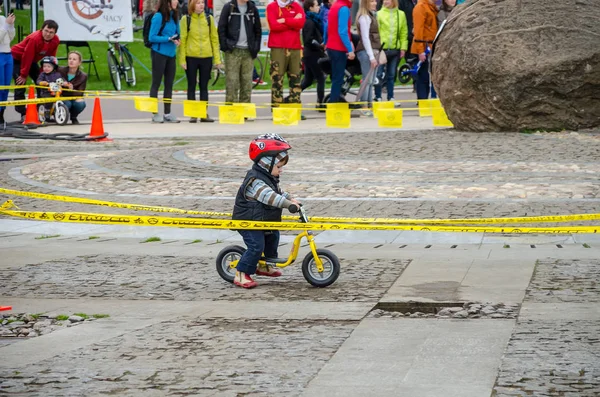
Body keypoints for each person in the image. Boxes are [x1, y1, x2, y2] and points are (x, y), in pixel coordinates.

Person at [231, 133, 301, 289]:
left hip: (261, 221)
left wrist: (291, 199)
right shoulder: (255, 180)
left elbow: (279, 192)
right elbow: (270, 197)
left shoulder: (268, 177)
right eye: (278, 167)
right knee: (256, 246)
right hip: (248, 221)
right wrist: (287, 205)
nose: (281, 170)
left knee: (273, 236)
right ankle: (241, 273)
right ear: (266, 164)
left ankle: (264, 265)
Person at [178, 0, 222, 123]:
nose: (201, 5)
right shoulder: (186, 19)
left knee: (204, 87)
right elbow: (183, 40)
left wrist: (217, 59)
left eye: (202, 2)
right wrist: (182, 59)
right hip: (191, 57)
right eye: (198, 3)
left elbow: (214, 39)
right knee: (191, 86)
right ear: (192, 5)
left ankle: (203, 113)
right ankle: (193, 114)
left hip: (206, 57)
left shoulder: (209, 19)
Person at [11, 20, 59, 121]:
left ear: (55, 33)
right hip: (17, 58)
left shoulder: (55, 40)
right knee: (20, 83)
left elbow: (51, 57)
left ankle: (41, 109)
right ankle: (22, 113)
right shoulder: (34, 39)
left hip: (32, 60)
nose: (48, 34)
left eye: (51, 32)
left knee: (42, 82)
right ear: (41, 29)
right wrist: (23, 74)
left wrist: (47, 72)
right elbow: (27, 56)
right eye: (46, 31)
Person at [218, 0, 262, 105]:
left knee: (247, 83)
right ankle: (231, 109)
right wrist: (225, 46)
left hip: (248, 51)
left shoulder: (252, 8)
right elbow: (221, 28)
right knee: (232, 82)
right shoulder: (229, 7)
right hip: (233, 50)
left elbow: (258, 29)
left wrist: (255, 47)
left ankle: (245, 110)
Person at [266, 0, 305, 107]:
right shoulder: (272, 7)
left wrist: (284, 20)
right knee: (277, 79)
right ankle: (277, 108)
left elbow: (300, 23)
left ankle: (294, 107)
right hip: (278, 47)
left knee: (296, 78)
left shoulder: (296, 6)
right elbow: (273, 26)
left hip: (295, 47)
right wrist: (292, 22)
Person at [149, 0, 181, 123]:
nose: (176, 1)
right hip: (159, 53)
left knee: (169, 84)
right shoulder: (158, 16)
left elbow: (177, 33)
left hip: (171, 54)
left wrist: (177, 39)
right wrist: (168, 38)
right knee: (156, 83)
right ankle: (154, 112)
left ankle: (167, 113)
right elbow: (152, 37)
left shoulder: (175, 16)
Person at [375, 0, 408, 102]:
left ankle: (391, 97)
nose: (385, 2)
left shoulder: (401, 14)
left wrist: (403, 48)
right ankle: (378, 96)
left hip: (395, 49)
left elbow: (403, 32)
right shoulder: (379, 14)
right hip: (382, 49)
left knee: (391, 75)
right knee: (379, 74)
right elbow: (376, 32)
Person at [325, 0, 355, 103]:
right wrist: (350, 50)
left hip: (331, 46)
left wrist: (325, 41)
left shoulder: (334, 6)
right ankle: (334, 104)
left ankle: (334, 101)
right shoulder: (344, 8)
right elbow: (343, 31)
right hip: (338, 47)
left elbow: (327, 26)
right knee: (338, 79)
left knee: (336, 78)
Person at [355, 0, 380, 115]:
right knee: (367, 79)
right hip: (366, 52)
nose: (375, 3)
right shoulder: (364, 17)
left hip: (372, 51)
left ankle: (369, 104)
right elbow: (365, 38)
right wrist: (371, 57)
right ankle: (364, 105)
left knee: (370, 81)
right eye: (372, 1)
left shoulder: (370, 16)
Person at [300, 0, 325, 108]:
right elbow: (308, 39)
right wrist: (319, 45)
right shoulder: (309, 22)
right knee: (320, 78)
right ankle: (320, 103)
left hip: (311, 54)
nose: (318, 6)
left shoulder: (314, 20)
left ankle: (291, 97)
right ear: (310, 8)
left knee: (308, 81)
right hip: (312, 54)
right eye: (316, 5)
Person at [411, 0, 437, 99]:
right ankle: (422, 101)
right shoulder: (420, 7)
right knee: (423, 78)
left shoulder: (430, 6)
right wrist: (420, 50)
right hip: (423, 47)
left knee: (427, 77)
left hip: (429, 46)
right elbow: (418, 29)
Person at [58, 51, 88, 125]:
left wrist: (71, 89)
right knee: (67, 104)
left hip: (73, 96)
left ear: (79, 62)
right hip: (61, 96)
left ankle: (73, 117)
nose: (71, 61)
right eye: (69, 58)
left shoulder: (83, 76)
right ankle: (61, 117)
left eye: (74, 59)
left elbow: (80, 92)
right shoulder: (60, 70)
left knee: (81, 103)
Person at [0, 9, 15, 126]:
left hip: (7, 53)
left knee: (6, 86)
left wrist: (11, 25)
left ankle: (1, 114)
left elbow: (10, 38)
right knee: (0, 86)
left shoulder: (2, 19)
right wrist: (5, 26)